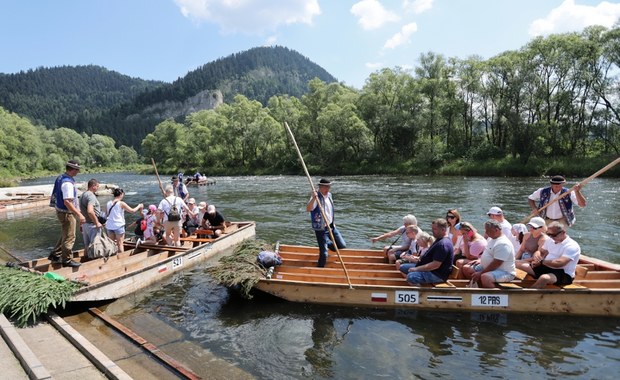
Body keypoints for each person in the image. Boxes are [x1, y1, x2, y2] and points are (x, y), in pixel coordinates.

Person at [48, 160, 85, 267]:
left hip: (60, 210)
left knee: (65, 233)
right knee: (70, 236)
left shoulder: (60, 177)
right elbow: (67, 201)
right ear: (72, 169)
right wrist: (80, 214)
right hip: (66, 213)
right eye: (77, 169)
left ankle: (55, 254)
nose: (78, 171)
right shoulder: (68, 183)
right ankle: (67, 260)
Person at [522, 222, 581, 288]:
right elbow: (541, 252)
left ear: (563, 232)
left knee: (544, 278)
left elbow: (560, 263)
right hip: (547, 267)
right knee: (517, 264)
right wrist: (537, 253)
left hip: (563, 274)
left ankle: (529, 295)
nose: (551, 237)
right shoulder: (550, 240)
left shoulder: (572, 246)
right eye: (548, 234)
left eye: (553, 235)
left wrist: (542, 262)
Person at [462, 219, 516, 288]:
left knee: (486, 277)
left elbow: (497, 263)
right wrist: (480, 260)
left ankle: (495, 296)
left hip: (504, 272)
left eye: (488, 230)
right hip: (488, 267)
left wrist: (481, 273)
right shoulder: (491, 238)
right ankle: (479, 288)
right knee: (467, 269)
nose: (486, 232)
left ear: (496, 230)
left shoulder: (503, 244)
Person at [306, 178, 347, 268]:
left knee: (342, 245)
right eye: (325, 187)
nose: (327, 189)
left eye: (328, 187)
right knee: (324, 254)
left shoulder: (330, 196)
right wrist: (313, 198)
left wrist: (332, 223)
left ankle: (326, 243)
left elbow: (330, 211)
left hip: (331, 227)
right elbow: (308, 209)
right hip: (321, 228)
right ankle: (319, 269)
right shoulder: (316, 197)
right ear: (320, 187)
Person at [404, 218, 454, 286]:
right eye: (432, 228)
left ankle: (421, 294)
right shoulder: (439, 240)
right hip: (431, 270)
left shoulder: (443, 244)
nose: (432, 231)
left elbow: (435, 265)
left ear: (443, 230)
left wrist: (416, 269)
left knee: (411, 276)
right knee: (403, 267)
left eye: (435, 229)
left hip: (437, 274)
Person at [105, 188, 143, 253]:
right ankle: (121, 260)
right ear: (121, 194)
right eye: (123, 194)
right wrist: (139, 206)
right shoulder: (121, 203)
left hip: (109, 226)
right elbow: (132, 211)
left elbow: (106, 214)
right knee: (120, 244)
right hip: (118, 226)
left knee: (111, 244)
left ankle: (112, 259)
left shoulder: (108, 203)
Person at [79, 178, 104, 250]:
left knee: (87, 246)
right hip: (92, 225)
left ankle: (86, 259)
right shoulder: (91, 196)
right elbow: (90, 211)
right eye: (97, 186)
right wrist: (97, 223)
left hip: (85, 224)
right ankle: (95, 261)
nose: (98, 188)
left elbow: (81, 211)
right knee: (95, 246)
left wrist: (81, 224)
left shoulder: (82, 195)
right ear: (93, 186)